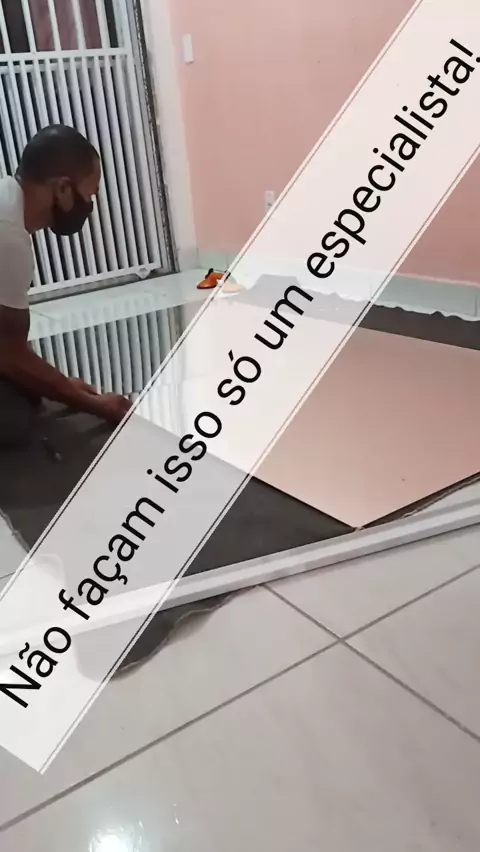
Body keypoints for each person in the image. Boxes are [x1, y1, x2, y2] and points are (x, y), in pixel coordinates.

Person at [0, 124, 132, 447]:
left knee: (31, 391)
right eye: (90, 195)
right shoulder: (7, 236)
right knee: (14, 419)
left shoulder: (8, 204)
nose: (89, 205)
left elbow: (8, 339)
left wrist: (61, 385)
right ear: (62, 188)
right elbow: (8, 352)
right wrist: (97, 406)